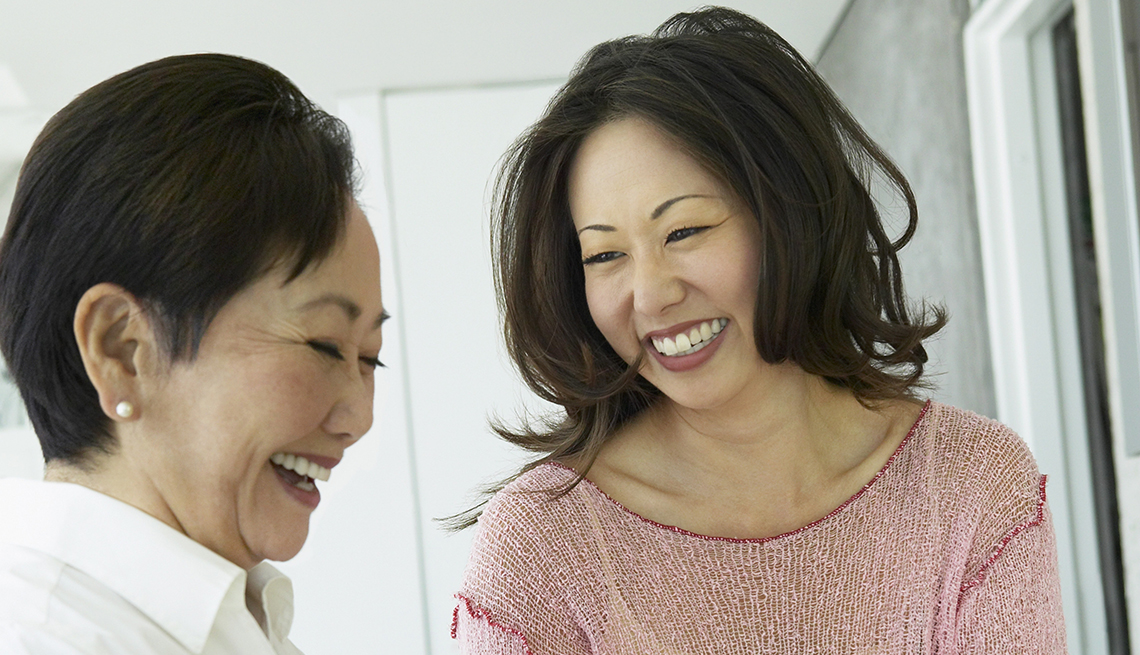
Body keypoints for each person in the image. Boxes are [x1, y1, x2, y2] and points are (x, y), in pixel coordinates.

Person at [452, 7, 1066, 653]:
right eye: (605, 255)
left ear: (789, 215)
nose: (652, 293)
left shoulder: (971, 485)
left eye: (684, 231)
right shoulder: (542, 552)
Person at [0, 54, 386, 654]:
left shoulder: (241, 623)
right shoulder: (41, 637)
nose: (359, 419)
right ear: (121, 349)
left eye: (370, 359)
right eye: (325, 346)